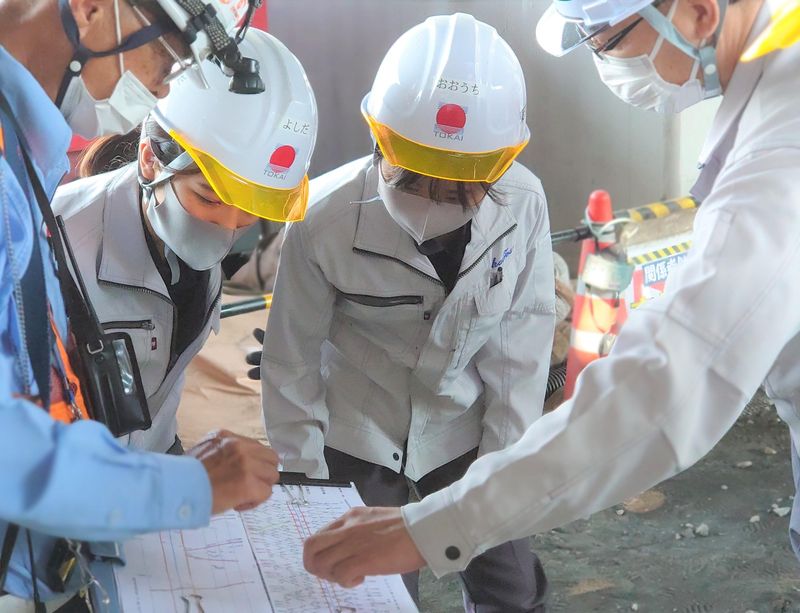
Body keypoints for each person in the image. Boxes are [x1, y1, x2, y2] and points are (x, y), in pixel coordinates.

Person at [302, 0, 800, 591]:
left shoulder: (780, 156)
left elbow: (671, 382)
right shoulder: (326, 215)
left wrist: (437, 525)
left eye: (606, 42)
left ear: (698, 12)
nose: (603, 63)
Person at [262, 13, 555, 611]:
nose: (436, 200)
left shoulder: (523, 204)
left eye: (460, 184)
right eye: (419, 179)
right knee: (374, 594)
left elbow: (519, 352)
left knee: (512, 589)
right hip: (360, 435)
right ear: (381, 139)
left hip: (463, 427)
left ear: (499, 164)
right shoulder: (322, 220)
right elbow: (291, 362)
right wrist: (307, 484)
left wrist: (502, 476)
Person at [0, 1, 280, 611]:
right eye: (169, 53)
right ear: (90, 8)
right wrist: (182, 487)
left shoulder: (23, 152)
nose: (165, 85)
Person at [52, 28, 318, 454]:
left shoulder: (184, 232)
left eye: (250, 208)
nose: (229, 225)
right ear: (150, 160)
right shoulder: (57, 242)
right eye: (210, 198)